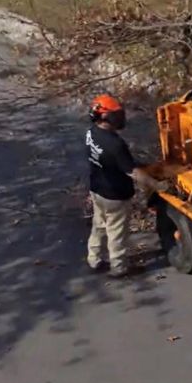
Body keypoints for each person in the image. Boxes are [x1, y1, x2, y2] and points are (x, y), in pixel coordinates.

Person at [85, 95, 153, 277]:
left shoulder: (92, 132)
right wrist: (156, 184)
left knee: (99, 225)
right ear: (106, 117)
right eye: (117, 114)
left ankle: (94, 259)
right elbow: (133, 172)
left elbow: (110, 159)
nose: (121, 117)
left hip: (97, 189)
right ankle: (119, 268)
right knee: (116, 233)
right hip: (115, 195)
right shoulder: (115, 144)